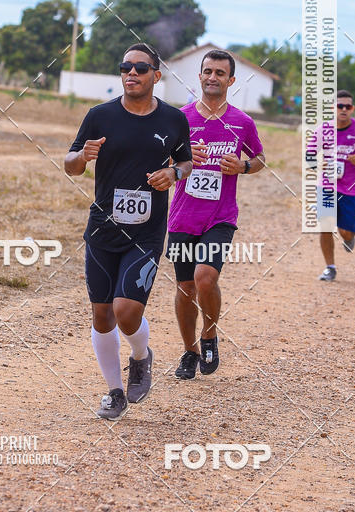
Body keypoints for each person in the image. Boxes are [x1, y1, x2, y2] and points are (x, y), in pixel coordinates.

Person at [64, 43, 192, 420]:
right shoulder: (99, 115)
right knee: (102, 316)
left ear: (157, 74)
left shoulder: (172, 120)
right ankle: (115, 392)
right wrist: (81, 157)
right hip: (103, 230)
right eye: (125, 67)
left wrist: (174, 173)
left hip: (147, 232)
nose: (131, 73)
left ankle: (140, 356)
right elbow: (70, 164)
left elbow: (185, 162)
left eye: (140, 67)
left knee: (126, 311)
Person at [166, 49, 265, 380]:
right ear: (200, 76)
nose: (212, 77)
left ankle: (209, 334)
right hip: (182, 216)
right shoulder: (180, 119)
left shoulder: (242, 122)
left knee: (205, 278)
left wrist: (244, 166)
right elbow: (163, 163)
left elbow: (261, 159)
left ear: (231, 80)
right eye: (207, 71)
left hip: (220, 216)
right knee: (185, 287)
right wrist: (179, 160)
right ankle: (189, 351)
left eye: (220, 73)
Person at [317, 90, 355, 281]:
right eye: (339, 106)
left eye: (348, 106)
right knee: (325, 225)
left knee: (345, 230)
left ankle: (349, 238)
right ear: (333, 108)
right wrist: (318, 163)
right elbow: (309, 154)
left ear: (353, 109)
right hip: (326, 186)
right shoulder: (323, 129)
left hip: (351, 188)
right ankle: (330, 267)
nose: (343, 109)